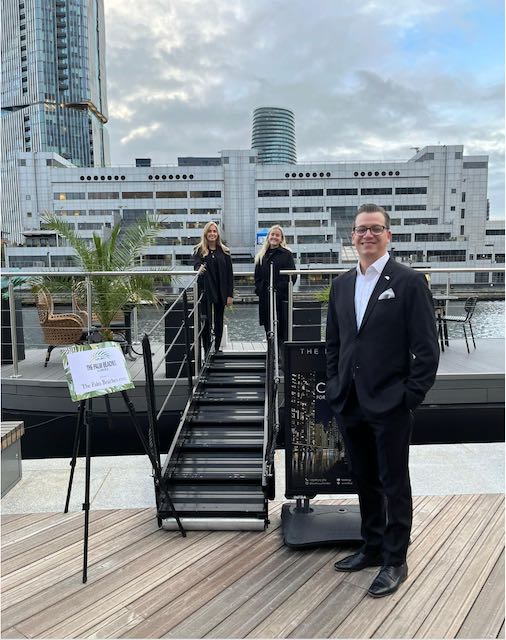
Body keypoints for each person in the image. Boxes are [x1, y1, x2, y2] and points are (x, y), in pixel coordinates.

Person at [325, 203, 439, 598]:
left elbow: (427, 349)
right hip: (350, 401)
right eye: (361, 230)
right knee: (364, 479)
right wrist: (335, 385)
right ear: (352, 237)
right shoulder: (340, 284)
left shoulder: (408, 282)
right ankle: (372, 546)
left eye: (376, 229)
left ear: (388, 235)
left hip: (391, 402)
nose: (367, 236)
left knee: (394, 482)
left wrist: (410, 397)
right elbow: (334, 344)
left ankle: (395, 558)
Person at [193, 221, 233, 354]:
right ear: (205, 233)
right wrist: (200, 268)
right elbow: (196, 265)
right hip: (205, 290)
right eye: (209, 231)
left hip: (221, 290)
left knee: (219, 320)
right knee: (206, 320)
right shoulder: (199, 250)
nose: (212, 234)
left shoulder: (225, 251)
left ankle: (216, 348)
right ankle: (206, 347)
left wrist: (229, 295)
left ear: (218, 234)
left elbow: (229, 274)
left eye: (214, 231)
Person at [254, 225, 296, 346]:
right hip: (265, 297)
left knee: (281, 327)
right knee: (268, 326)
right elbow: (257, 277)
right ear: (268, 237)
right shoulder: (261, 255)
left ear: (281, 238)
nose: (274, 237)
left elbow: (292, 276)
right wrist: (261, 290)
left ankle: (280, 357)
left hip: (281, 297)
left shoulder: (287, 254)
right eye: (272, 234)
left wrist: (279, 288)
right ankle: (271, 353)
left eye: (277, 235)